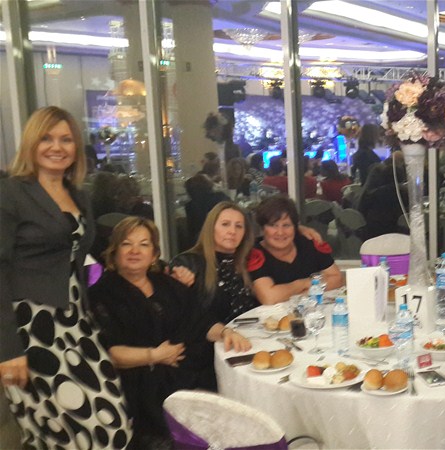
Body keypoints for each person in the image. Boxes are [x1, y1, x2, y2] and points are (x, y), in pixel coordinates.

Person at [0, 106, 132, 448]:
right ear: (31, 143)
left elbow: (82, 256)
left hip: (76, 321)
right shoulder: (10, 193)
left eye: (66, 139)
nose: (56, 147)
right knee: (87, 432)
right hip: (32, 326)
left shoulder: (79, 196)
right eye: (46, 138)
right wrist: (7, 349)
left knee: (109, 423)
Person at [89, 217, 251, 447]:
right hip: (141, 390)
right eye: (127, 244)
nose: (135, 251)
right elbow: (110, 353)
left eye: (144, 244)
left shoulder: (167, 284)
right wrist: (154, 355)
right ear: (114, 252)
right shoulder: (102, 294)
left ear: (154, 254)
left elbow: (200, 322)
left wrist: (226, 332)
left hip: (187, 377)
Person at [169, 202, 261, 324]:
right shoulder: (187, 262)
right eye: (225, 224)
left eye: (239, 226)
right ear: (211, 228)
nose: (232, 231)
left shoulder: (249, 260)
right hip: (211, 334)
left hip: (253, 332)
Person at [249, 195, 343, 304]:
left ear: (295, 227)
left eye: (286, 225)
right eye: (273, 225)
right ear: (262, 228)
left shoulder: (308, 243)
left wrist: (302, 294)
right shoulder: (255, 254)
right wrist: (302, 284)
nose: (280, 232)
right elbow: (269, 297)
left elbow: (337, 279)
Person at [358, 162, 408, 241]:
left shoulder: (374, 194)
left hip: (373, 235)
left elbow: (362, 211)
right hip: (399, 235)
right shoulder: (404, 194)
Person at [184, 173, 230, 244]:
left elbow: (192, 230)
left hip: (201, 240)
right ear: (209, 186)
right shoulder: (221, 197)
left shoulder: (190, 206)